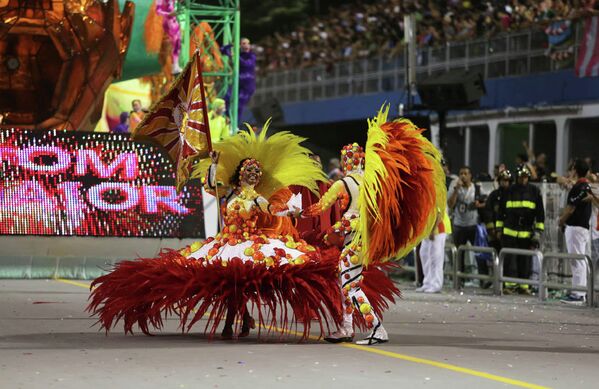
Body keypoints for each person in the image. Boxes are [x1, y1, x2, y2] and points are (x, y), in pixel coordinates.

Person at [88, 128, 348, 340]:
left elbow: (272, 209)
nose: (254, 174)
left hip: (248, 245)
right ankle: (241, 319)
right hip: (226, 243)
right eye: (249, 170)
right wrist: (213, 164)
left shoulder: (256, 197)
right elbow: (211, 184)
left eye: (257, 172)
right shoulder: (229, 192)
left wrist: (290, 212)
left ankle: (234, 322)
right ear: (239, 173)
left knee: (239, 282)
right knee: (229, 282)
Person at [304, 109, 446, 345]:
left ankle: (376, 328)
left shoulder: (343, 183)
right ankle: (346, 327)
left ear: (344, 161)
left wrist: (296, 210)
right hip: (363, 239)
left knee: (349, 286)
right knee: (347, 281)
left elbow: (320, 207)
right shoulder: (368, 181)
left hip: (356, 240)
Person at [496, 164, 545, 295]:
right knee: (509, 260)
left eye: (525, 177)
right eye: (521, 177)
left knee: (525, 260)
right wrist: (499, 229)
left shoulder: (535, 191)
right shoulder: (509, 191)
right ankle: (510, 286)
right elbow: (501, 212)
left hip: (526, 232)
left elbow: (540, 214)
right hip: (509, 231)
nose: (523, 180)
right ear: (517, 177)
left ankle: (524, 287)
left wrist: (538, 233)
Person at [559, 159, 592, 305]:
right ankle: (580, 292)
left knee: (577, 260)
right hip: (583, 228)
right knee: (580, 260)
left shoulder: (579, 186)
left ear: (575, 171)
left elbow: (571, 208)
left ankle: (578, 294)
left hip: (575, 227)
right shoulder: (587, 186)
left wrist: (561, 220)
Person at [447, 166, 484, 280]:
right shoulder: (455, 188)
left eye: (465, 173)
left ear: (470, 175)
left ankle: (483, 278)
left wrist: (478, 205)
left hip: (473, 225)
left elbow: (484, 202)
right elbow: (450, 204)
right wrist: (456, 190)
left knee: (479, 252)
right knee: (459, 254)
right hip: (459, 225)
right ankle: (459, 279)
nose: (463, 176)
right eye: (461, 173)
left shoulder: (477, 188)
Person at [418, 208, 451, 293]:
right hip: (427, 229)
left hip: (438, 228)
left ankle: (436, 284)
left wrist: (432, 231)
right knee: (424, 254)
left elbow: (439, 214)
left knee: (435, 258)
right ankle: (427, 283)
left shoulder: (436, 195)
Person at [224, 37, 256, 124]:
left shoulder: (252, 56)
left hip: (247, 86)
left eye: (248, 43)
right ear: (240, 45)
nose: (247, 45)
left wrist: (235, 56)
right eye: (244, 43)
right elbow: (222, 50)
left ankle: (235, 125)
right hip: (237, 83)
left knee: (239, 106)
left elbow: (247, 64)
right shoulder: (239, 55)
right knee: (226, 98)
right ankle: (227, 120)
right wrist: (231, 45)